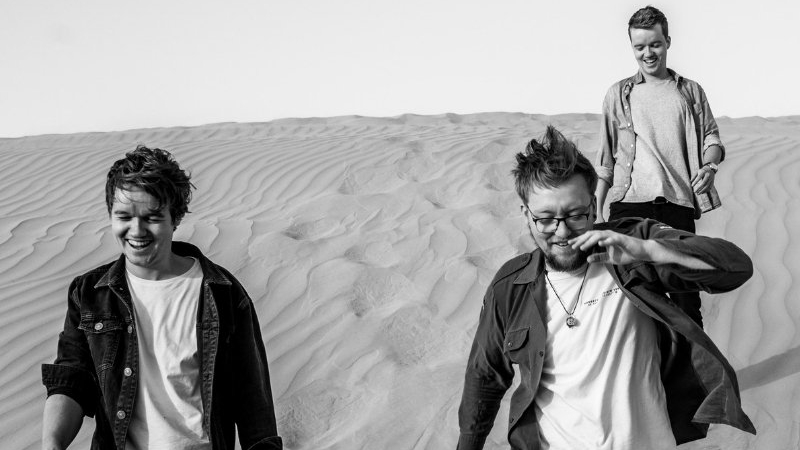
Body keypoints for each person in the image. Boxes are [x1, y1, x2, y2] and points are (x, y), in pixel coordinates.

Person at [457, 126, 755, 449]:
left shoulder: (631, 249)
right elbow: (484, 377)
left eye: (575, 215)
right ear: (525, 215)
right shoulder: (510, 288)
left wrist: (649, 250)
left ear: (593, 204)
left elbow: (734, 269)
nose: (562, 231)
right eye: (545, 219)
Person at [41, 146, 282, 449]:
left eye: (152, 217)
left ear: (175, 218)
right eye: (123, 216)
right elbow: (72, 380)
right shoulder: (89, 293)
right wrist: (52, 443)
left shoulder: (222, 294)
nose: (136, 230)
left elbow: (253, 406)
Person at [594, 5, 725, 326]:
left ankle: (692, 361)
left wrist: (710, 168)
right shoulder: (618, 94)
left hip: (676, 207)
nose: (648, 53)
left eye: (655, 44)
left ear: (668, 41)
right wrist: (596, 213)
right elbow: (606, 161)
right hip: (628, 208)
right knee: (629, 303)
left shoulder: (690, 91)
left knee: (686, 303)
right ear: (631, 47)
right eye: (639, 47)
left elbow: (712, 139)